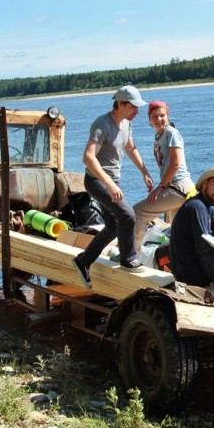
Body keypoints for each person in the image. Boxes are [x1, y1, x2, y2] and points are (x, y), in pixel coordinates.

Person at [71, 85, 153, 288]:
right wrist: (108, 183)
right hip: (97, 181)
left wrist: (144, 172)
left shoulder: (126, 123)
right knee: (127, 216)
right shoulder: (102, 124)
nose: (137, 112)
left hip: (112, 182)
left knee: (113, 227)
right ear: (120, 104)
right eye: (133, 107)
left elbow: (130, 147)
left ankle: (83, 261)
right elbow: (88, 157)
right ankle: (128, 259)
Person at [132, 101, 196, 250]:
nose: (159, 119)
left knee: (139, 212)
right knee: (178, 231)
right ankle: (181, 264)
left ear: (167, 116)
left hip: (178, 186)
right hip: (177, 187)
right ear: (149, 119)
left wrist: (159, 188)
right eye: (154, 116)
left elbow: (176, 163)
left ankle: (131, 254)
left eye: (162, 115)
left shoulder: (171, 133)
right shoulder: (159, 136)